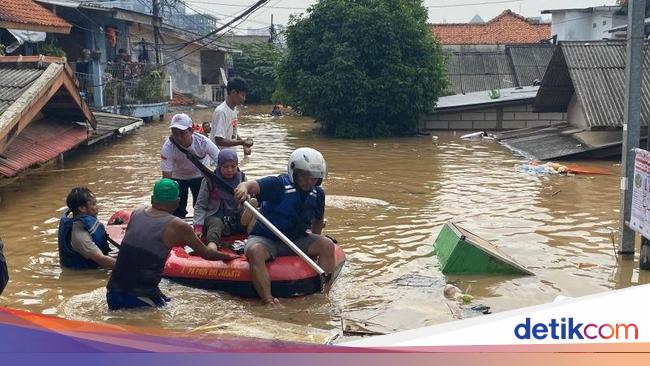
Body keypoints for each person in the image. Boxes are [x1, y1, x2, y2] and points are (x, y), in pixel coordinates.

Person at [106, 178, 238, 310]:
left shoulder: (137, 213)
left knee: (165, 302)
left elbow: (137, 262)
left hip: (112, 293)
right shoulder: (178, 226)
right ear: (177, 203)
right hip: (138, 298)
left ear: (152, 199)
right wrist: (230, 256)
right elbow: (207, 254)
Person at [234, 148, 335, 306]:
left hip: (296, 239)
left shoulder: (318, 194)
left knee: (327, 245)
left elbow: (318, 221)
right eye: (306, 176)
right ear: (294, 172)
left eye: (315, 178)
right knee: (255, 252)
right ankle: (268, 301)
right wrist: (243, 188)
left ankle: (324, 294)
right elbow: (251, 185)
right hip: (267, 239)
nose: (310, 181)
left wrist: (314, 249)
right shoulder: (278, 184)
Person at [193, 149, 257, 249]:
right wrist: (198, 227)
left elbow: (246, 200)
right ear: (219, 166)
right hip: (215, 216)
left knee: (250, 217)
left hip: (236, 217)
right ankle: (212, 247)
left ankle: (252, 233)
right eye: (225, 167)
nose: (230, 170)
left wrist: (246, 197)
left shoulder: (242, 179)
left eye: (233, 166)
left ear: (237, 165)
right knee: (216, 224)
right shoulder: (209, 181)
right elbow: (200, 206)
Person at [161, 113, 221, 218]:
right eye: (175, 134)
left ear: (191, 131)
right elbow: (166, 177)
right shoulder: (168, 147)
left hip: (200, 176)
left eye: (182, 133)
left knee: (201, 207)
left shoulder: (203, 142)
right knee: (177, 210)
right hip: (177, 178)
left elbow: (221, 160)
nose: (179, 137)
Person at [57, 187, 115, 269]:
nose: (97, 207)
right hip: (84, 273)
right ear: (82, 208)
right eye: (93, 204)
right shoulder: (79, 234)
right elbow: (102, 260)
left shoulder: (82, 223)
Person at [210, 77, 254, 156]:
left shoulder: (234, 109)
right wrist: (242, 142)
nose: (244, 99)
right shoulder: (221, 112)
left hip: (229, 156)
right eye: (242, 95)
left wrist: (244, 144)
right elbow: (219, 140)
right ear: (233, 93)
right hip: (219, 158)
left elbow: (233, 133)